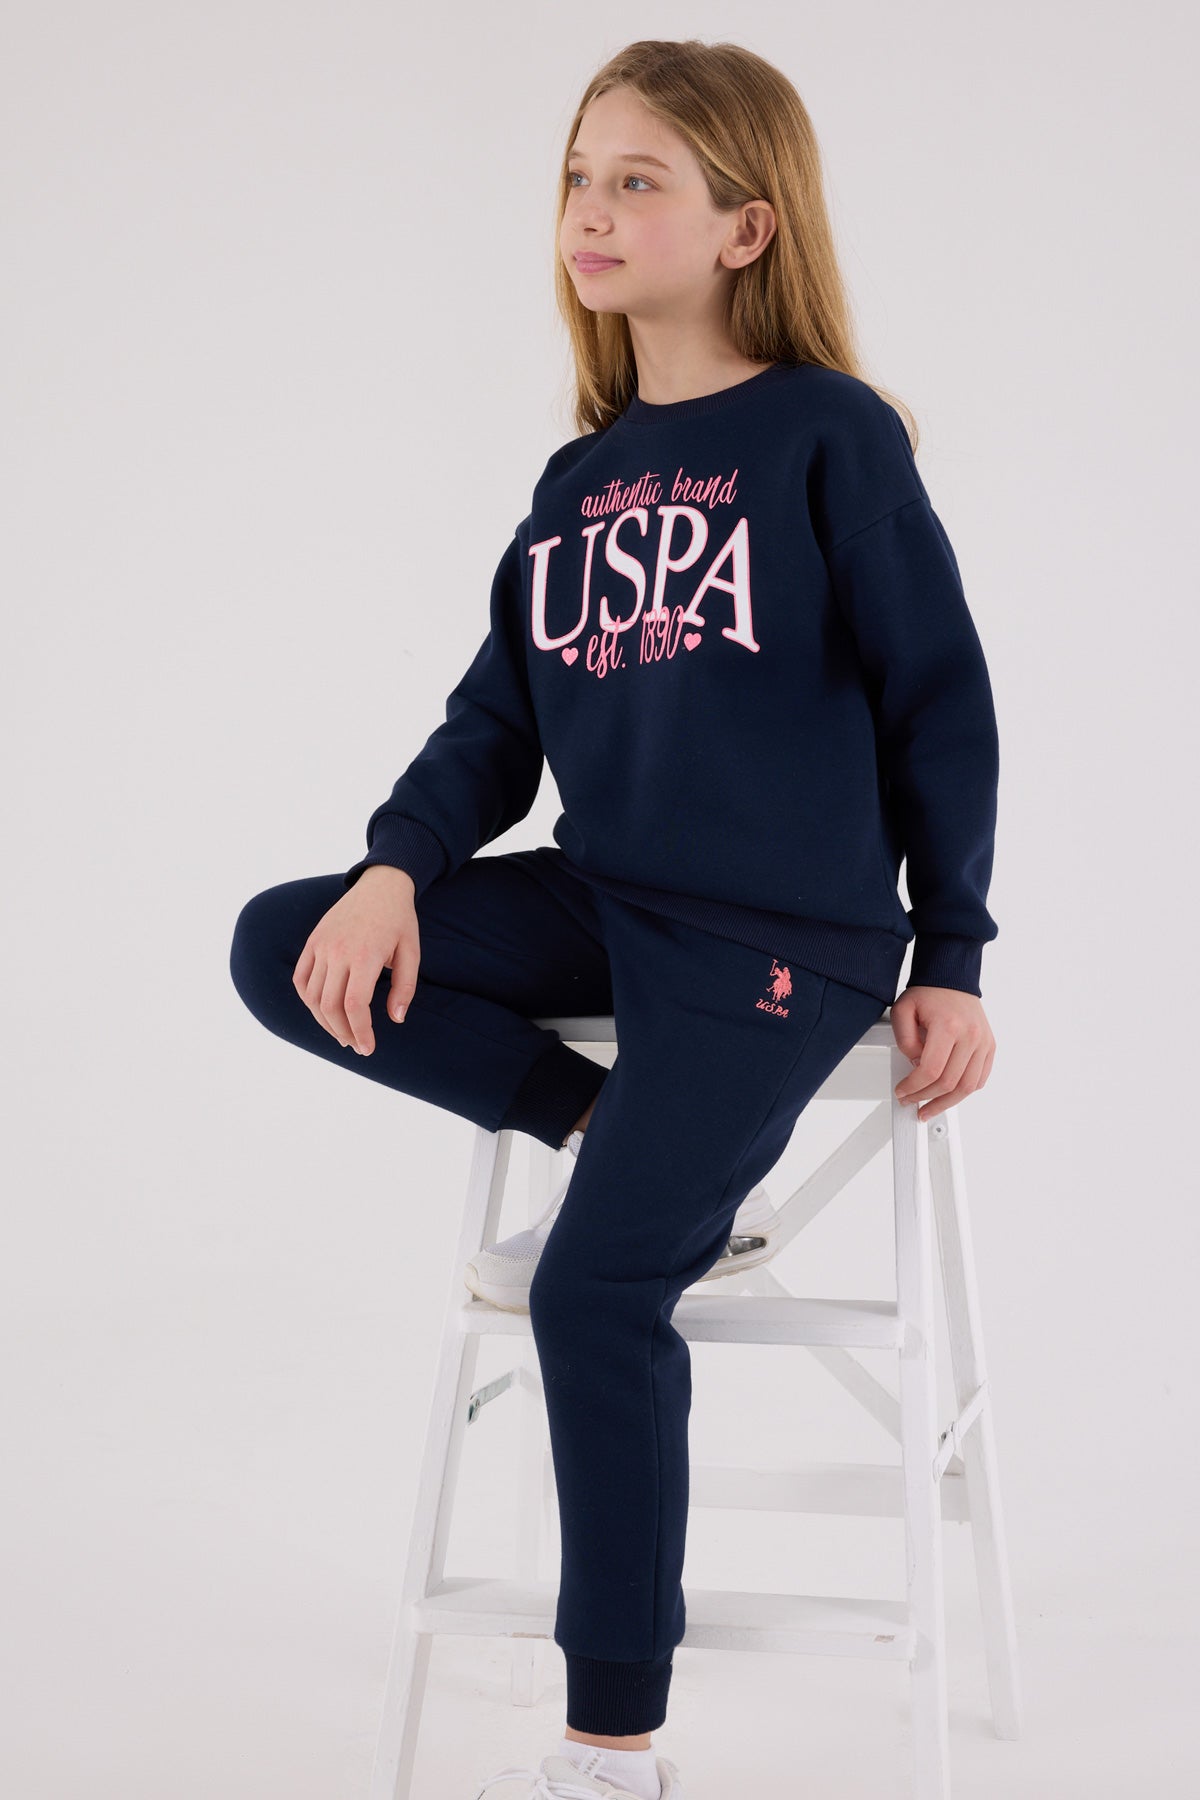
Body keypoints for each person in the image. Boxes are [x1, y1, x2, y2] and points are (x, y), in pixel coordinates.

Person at [229, 36, 1000, 1800]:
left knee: (591, 1296)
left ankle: (610, 1745)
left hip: (776, 941)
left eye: (637, 179)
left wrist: (950, 953)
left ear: (745, 226)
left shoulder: (829, 434)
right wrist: (395, 869)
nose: (589, 208)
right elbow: (492, 724)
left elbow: (941, 702)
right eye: (580, 176)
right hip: (605, 899)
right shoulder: (578, 484)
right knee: (284, 942)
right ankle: (612, 1137)